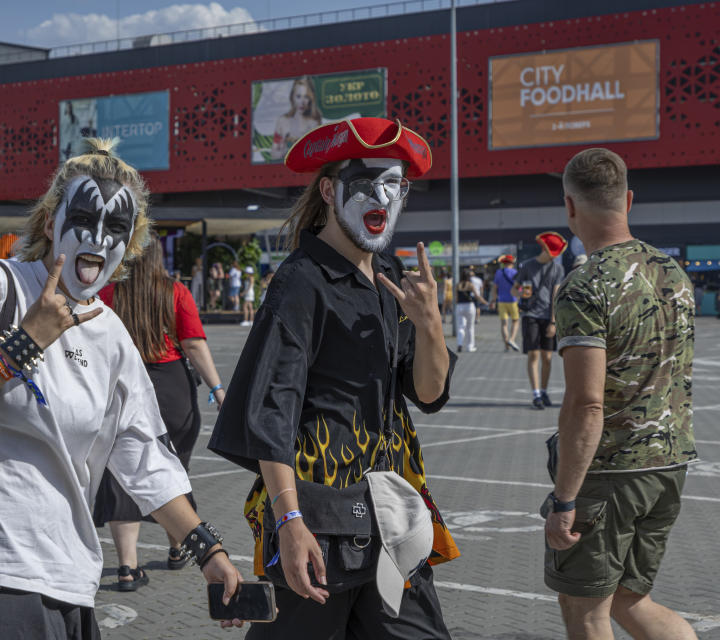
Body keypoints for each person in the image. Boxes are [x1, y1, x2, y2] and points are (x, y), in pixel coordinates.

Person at [0, 138, 242, 639]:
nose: (99, 238)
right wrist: (23, 342)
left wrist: (209, 552)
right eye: (84, 217)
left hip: (67, 579)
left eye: (117, 227)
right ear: (49, 223)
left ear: (132, 243)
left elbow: (144, 458)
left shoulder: (110, 332)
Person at [209, 117, 460, 639]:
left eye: (394, 186)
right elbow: (270, 414)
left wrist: (431, 325)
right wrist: (289, 523)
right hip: (319, 523)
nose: (382, 198)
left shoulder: (389, 277)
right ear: (329, 190)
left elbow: (430, 393)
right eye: (366, 184)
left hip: (392, 518)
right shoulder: (301, 282)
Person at [544, 147, 698, 640]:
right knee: (631, 600)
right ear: (628, 200)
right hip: (669, 463)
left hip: (612, 471)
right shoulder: (674, 273)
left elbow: (586, 403)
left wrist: (564, 499)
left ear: (570, 206)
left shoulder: (585, 285)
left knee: (584, 608)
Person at [95, 231, 227, 591]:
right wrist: (217, 388)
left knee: (120, 479)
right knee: (173, 471)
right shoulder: (175, 292)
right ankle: (177, 548)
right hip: (172, 389)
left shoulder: (108, 293)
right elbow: (194, 345)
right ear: (158, 259)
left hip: (124, 387)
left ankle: (127, 567)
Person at [512, 231, 567, 410]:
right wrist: (521, 293)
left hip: (547, 317)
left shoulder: (558, 269)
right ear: (543, 248)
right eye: (550, 251)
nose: (552, 255)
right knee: (534, 354)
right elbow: (515, 289)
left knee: (548, 357)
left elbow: (556, 295)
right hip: (531, 315)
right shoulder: (527, 266)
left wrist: (553, 322)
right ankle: (536, 394)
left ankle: (544, 390)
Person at [270, 76, 323, 158]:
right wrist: (282, 151)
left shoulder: (315, 123)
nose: (302, 102)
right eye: (298, 96)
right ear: (292, 97)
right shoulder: (282, 121)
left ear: (311, 99)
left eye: (306, 97)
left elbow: (320, 153)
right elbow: (274, 154)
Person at [491, 254, 520, 351]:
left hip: (501, 301)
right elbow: (518, 288)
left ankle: (506, 346)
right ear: (512, 263)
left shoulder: (498, 272)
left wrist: (493, 300)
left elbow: (495, 288)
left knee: (504, 324)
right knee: (515, 321)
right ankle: (511, 339)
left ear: (503, 263)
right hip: (513, 300)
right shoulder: (515, 272)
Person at [455, 266, 487, 353]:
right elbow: (477, 296)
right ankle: (470, 346)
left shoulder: (458, 285)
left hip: (459, 306)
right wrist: (485, 302)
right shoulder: (470, 285)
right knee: (470, 327)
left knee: (461, 327)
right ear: (468, 276)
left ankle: (459, 343)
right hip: (469, 306)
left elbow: (456, 299)